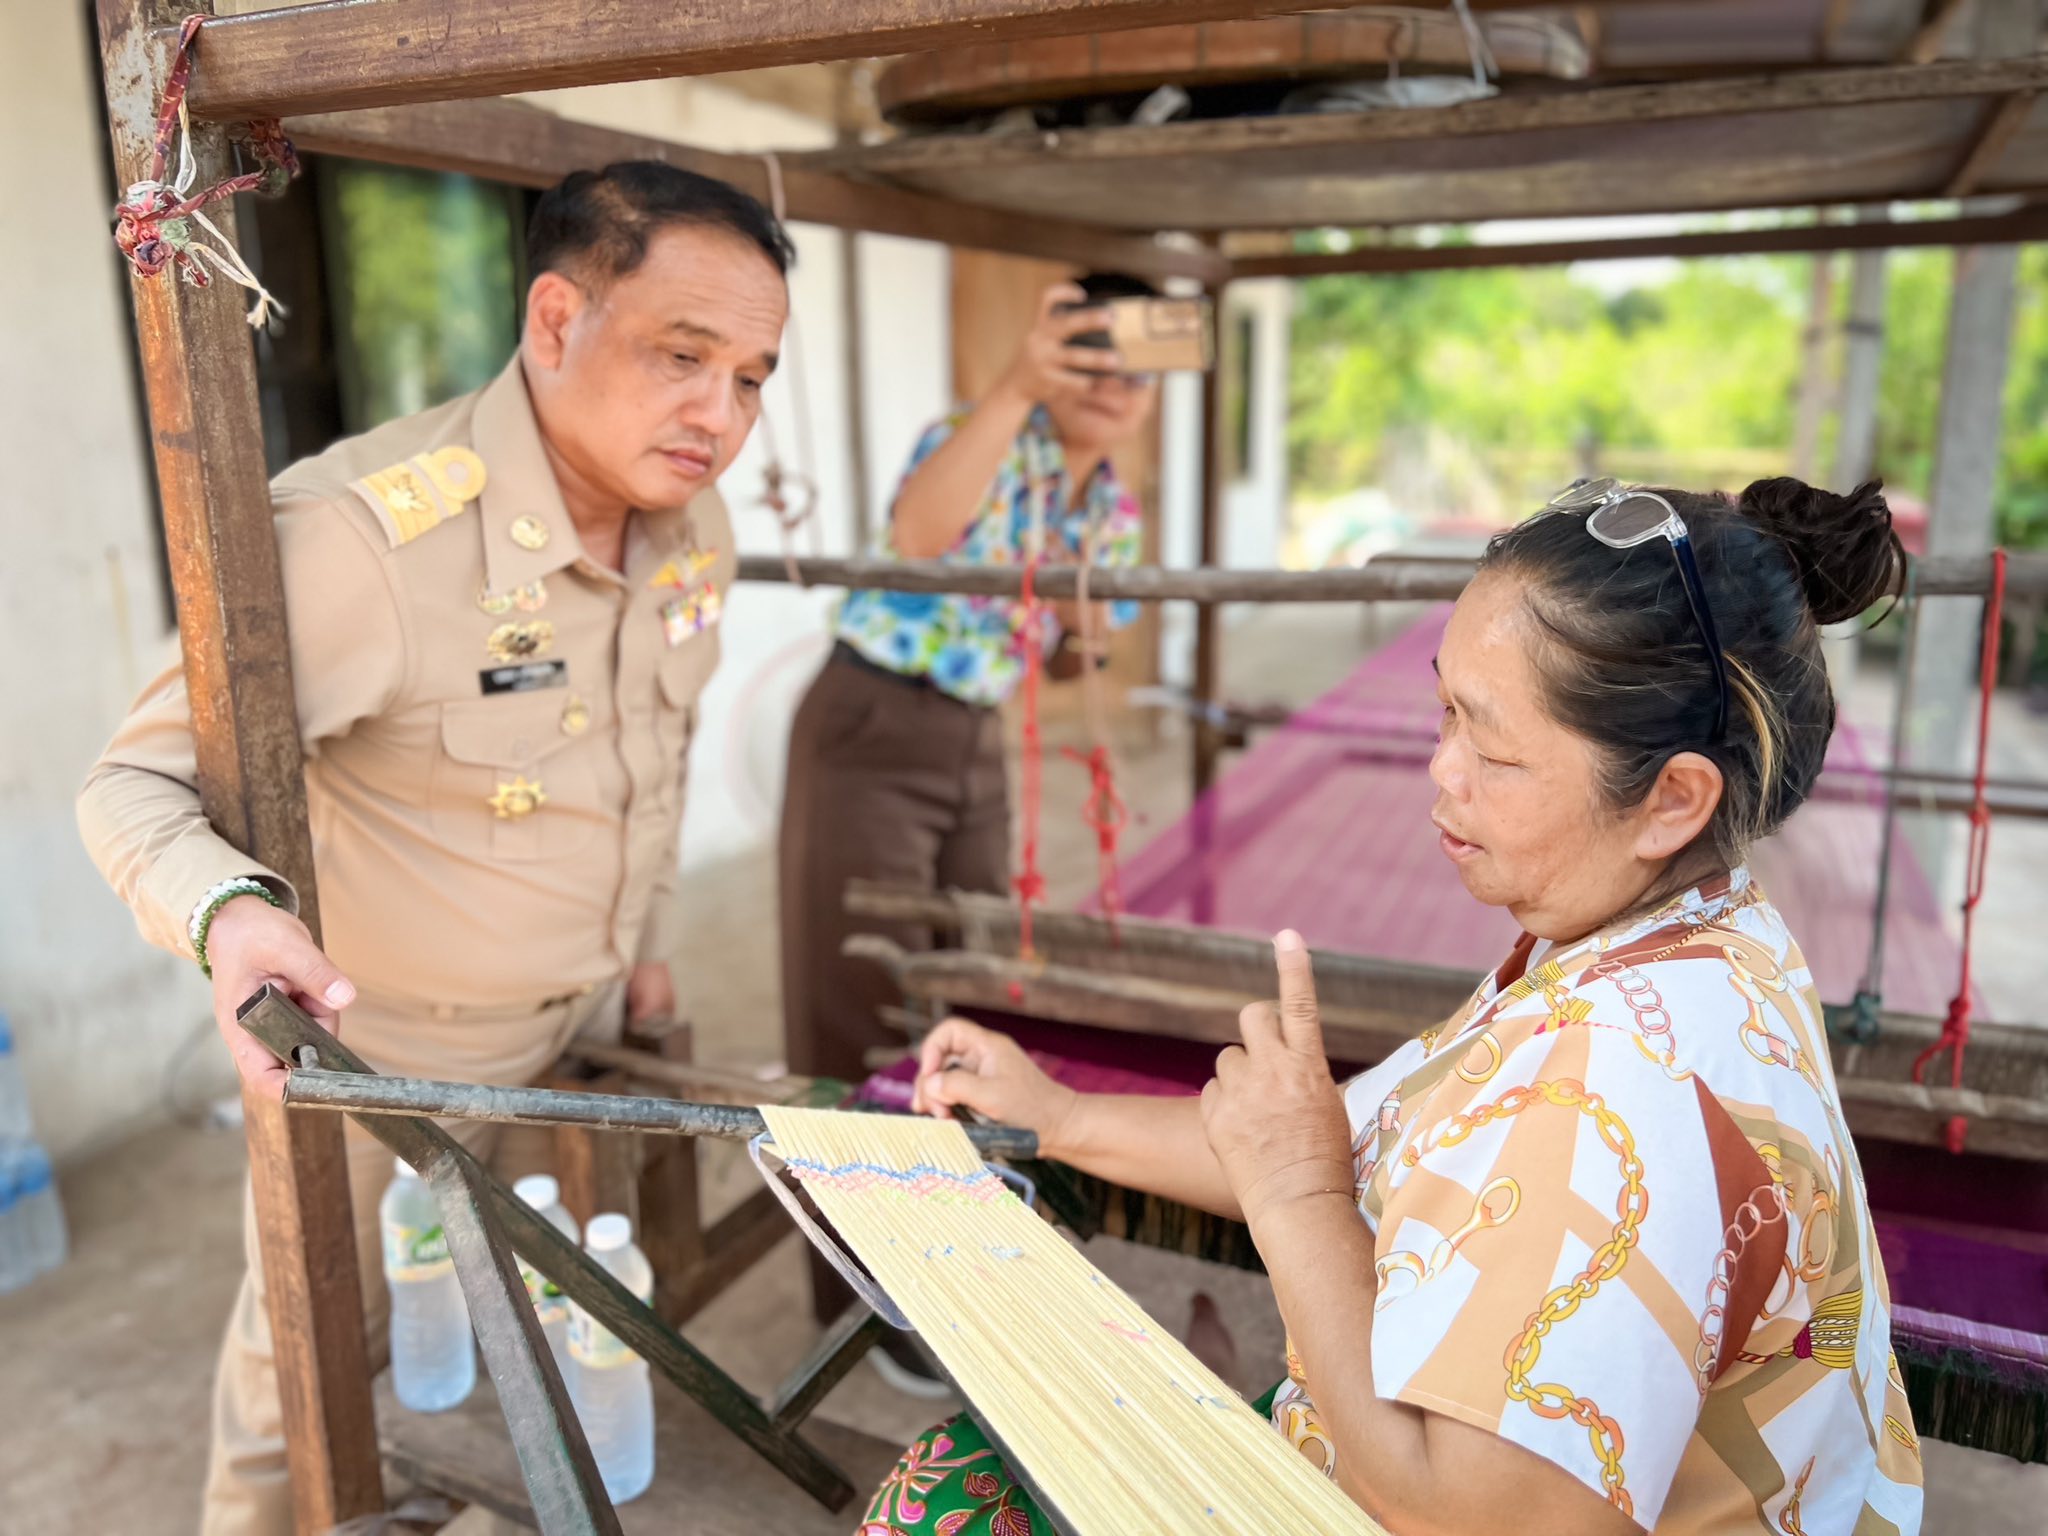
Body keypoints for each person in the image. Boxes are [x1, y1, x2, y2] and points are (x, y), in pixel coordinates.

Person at [889, 477, 1925, 1534]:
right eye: (1443, 709)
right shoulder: (1672, 939)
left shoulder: (1626, 1075)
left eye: (1490, 745)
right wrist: (1054, 1113)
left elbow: (1478, 1520)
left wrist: (1297, 1202)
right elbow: (1341, 1138)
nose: (1438, 771)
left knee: (947, 1505)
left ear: (1669, 799)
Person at [77, 161, 790, 1536]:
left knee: (528, 1367)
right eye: (682, 356)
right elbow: (130, 783)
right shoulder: (371, 543)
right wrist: (230, 916)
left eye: (752, 377)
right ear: (554, 319)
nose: (721, 414)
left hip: (578, 1040)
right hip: (385, 1073)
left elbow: (657, 748)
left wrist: (639, 953)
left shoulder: (690, 524)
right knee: (306, 1402)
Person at [777, 274, 1157, 1387]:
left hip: (972, 736)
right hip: (869, 718)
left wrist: (1083, 616)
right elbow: (916, 532)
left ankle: (958, 1248)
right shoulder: (978, 432)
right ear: (1054, 351)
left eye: (1140, 365)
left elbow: (1080, 645)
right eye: (1094, 354)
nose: (1117, 384)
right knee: (857, 1000)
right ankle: (870, 1302)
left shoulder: (1111, 505)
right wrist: (1014, 387)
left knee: (979, 994)